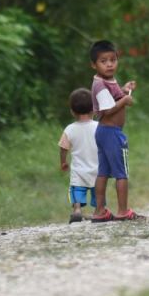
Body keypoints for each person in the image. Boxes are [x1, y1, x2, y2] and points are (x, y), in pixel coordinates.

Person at [88, 39, 142, 222]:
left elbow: (115, 96)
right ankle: (122, 210)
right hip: (111, 133)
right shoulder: (100, 85)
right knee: (121, 172)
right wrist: (125, 101)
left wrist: (125, 90)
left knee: (103, 172)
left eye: (113, 59)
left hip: (104, 132)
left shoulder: (107, 81)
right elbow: (107, 110)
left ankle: (100, 211)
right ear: (93, 64)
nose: (109, 64)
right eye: (104, 61)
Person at [58, 88, 99, 223]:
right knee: (98, 190)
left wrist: (63, 161)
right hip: (98, 169)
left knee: (76, 189)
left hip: (78, 170)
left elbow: (63, 147)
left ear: (72, 111)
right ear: (94, 109)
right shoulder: (99, 127)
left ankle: (77, 210)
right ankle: (98, 211)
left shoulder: (70, 129)